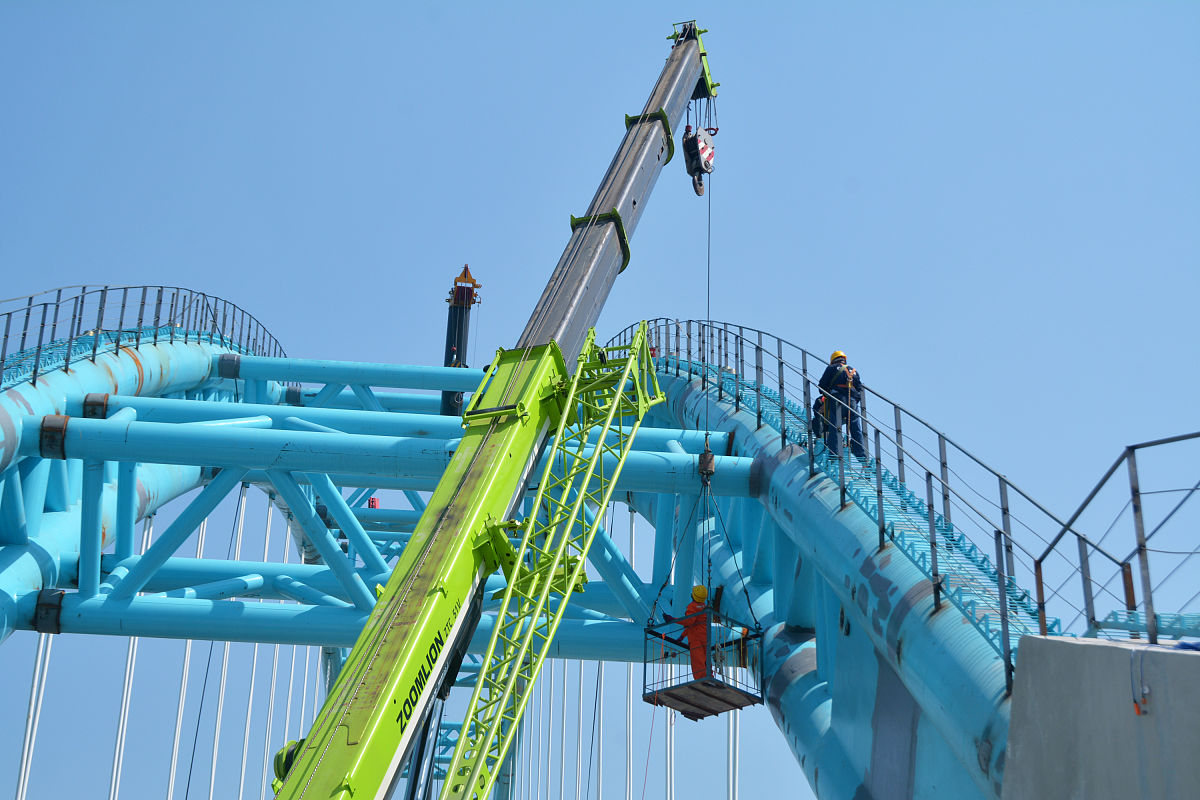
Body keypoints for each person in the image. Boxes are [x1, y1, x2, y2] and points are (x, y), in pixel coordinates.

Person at [818, 350, 865, 459]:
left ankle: (833, 455)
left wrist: (827, 395)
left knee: (835, 427)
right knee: (855, 427)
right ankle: (861, 455)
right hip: (851, 402)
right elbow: (859, 390)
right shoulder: (853, 371)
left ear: (833, 360)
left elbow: (821, 386)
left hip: (837, 400)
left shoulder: (831, 368)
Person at [681, 584, 710, 680]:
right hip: (705, 638)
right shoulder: (704, 607)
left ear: (693, 595)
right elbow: (694, 624)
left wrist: (673, 619)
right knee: (706, 659)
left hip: (695, 639)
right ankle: (709, 676)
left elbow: (689, 622)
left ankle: (700, 679)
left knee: (697, 660)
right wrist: (682, 636)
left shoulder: (692, 606)